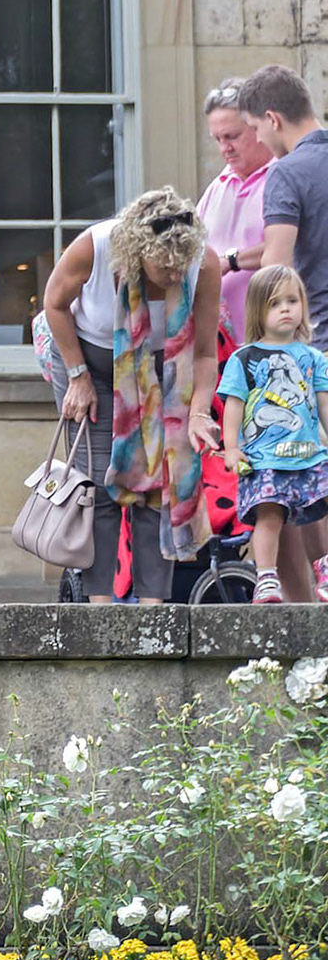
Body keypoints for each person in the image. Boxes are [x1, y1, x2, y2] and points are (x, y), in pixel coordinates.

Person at [35, 188, 222, 602]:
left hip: (164, 375)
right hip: (89, 365)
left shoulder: (203, 264)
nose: (175, 276)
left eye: (181, 266)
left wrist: (197, 413)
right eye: (164, 268)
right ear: (137, 251)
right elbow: (54, 304)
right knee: (97, 484)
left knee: (157, 484)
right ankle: (100, 601)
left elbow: (206, 352)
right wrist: (78, 375)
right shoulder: (96, 247)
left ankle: (153, 604)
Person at [240, 63, 328, 600]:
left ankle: (304, 621)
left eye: (255, 127)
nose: (254, 138)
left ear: (273, 118)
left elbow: (276, 271)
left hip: (313, 346)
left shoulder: (287, 174)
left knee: (287, 477)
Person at [218, 266, 328, 603]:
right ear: (257, 311)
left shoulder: (313, 358)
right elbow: (234, 406)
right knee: (269, 515)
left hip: (309, 454)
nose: (285, 309)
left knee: (321, 511)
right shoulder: (243, 358)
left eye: (292, 301)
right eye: (275, 303)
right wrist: (232, 447)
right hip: (265, 458)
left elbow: (323, 403)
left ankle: (324, 570)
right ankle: (266, 576)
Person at [197, 80, 275, 341]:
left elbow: (293, 245)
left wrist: (230, 262)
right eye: (217, 139)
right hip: (217, 351)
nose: (224, 149)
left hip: (271, 346)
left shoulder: (285, 178)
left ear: (259, 126)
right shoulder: (217, 187)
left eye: (232, 136)